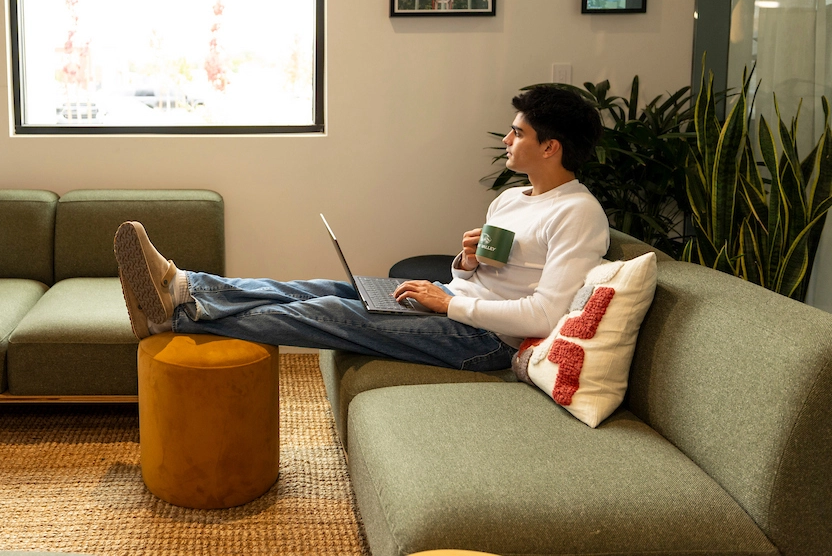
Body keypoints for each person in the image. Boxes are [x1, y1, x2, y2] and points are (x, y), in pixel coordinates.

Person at [114, 85, 610, 371]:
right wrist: (469, 261)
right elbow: (497, 276)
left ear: (551, 147)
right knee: (315, 289)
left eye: (518, 132)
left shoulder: (578, 214)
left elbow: (547, 315)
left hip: (487, 342)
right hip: (455, 302)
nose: (506, 138)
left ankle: (173, 319)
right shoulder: (513, 197)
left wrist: (449, 302)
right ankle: (184, 286)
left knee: (326, 312)